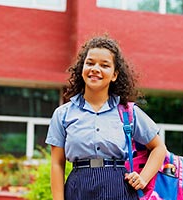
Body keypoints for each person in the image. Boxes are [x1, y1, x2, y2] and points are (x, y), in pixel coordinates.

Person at [45, 35, 167, 200]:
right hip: (77, 188)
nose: (95, 68)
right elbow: (57, 164)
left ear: (114, 75)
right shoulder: (63, 114)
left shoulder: (127, 112)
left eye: (104, 65)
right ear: (82, 68)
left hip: (118, 186)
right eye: (90, 63)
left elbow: (159, 148)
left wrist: (143, 178)